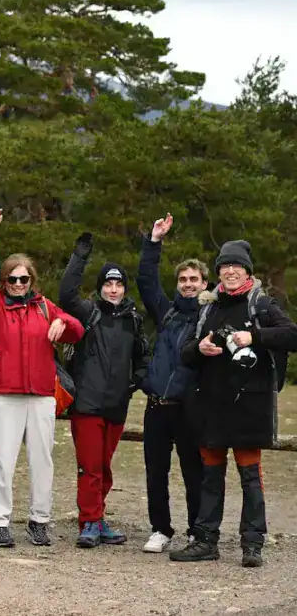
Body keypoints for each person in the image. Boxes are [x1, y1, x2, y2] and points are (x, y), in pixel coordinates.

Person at [171, 240, 297, 568]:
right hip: (211, 405)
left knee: (250, 477)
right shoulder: (208, 307)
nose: (230, 271)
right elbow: (184, 353)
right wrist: (201, 348)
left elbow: (291, 335)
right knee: (210, 477)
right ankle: (205, 541)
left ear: (247, 271)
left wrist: (255, 336)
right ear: (218, 273)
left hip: (250, 407)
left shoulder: (262, 303)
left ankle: (252, 544)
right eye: (224, 266)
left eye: (236, 266)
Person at [0, 208, 85, 548]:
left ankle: (39, 520)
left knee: (42, 461)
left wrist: (64, 323)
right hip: (5, 394)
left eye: (25, 279)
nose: (19, 284)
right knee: (2, 460)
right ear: (4, 282)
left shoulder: (46, 307)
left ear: (32, 281)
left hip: (41, 395)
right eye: (12, 279)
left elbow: (78, 330)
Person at [58, 232, 149, 549]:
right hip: (86, 404)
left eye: (119, 284)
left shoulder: (133, 320)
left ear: (124, 288)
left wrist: (136, 380)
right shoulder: (88, 312)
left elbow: (143, 356)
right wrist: (79, 257)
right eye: (108, 284)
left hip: (116, 405)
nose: (113, 289)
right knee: (90, 467)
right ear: (100, 287)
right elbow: (66, 295)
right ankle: (88, 523)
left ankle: (98, 518)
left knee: (105, 468)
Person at [136, 214, 209, 553]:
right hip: (156, 407)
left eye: (194, 278)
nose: (188, 283)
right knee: (156, 473)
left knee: (194, 472)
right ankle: (160, 529)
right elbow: (146, 281)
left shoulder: (209, 316)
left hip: (189, 408)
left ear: (205, 283)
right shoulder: (166, 312)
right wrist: (154, 242)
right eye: (183, 278)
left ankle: (198, 530)